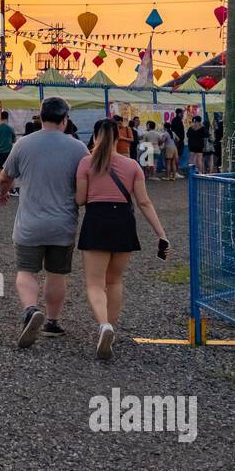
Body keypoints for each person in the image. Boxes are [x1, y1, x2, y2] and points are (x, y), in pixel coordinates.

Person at [0, 97, 88, 348]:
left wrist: (3, 192)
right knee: (56, 273)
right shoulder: (79, 148)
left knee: (25, 270)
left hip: (29, 222)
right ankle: (52, 321)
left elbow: (6, 176)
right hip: (63, 223)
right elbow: (87, 182)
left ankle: (30, 309)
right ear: (65, 120)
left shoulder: (23, 144)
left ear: (40, 117)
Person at [76, 118, 169, 361]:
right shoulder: (132, 166)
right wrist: (161, 234)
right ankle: (111, 329)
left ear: (95, 137)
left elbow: (80, 199)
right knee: (114, 281)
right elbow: (144, 202)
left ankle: (103, 325)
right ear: (120, 138)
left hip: (96, 219)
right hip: (124, 222)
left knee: (95, 283)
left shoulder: (86, 163)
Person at [0, 111, 17, 181]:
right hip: (8, 152)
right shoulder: (10, 128)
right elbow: (14, 140)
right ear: (7, 117)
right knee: (7, 170)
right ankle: (7, 186)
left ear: (1, 117)